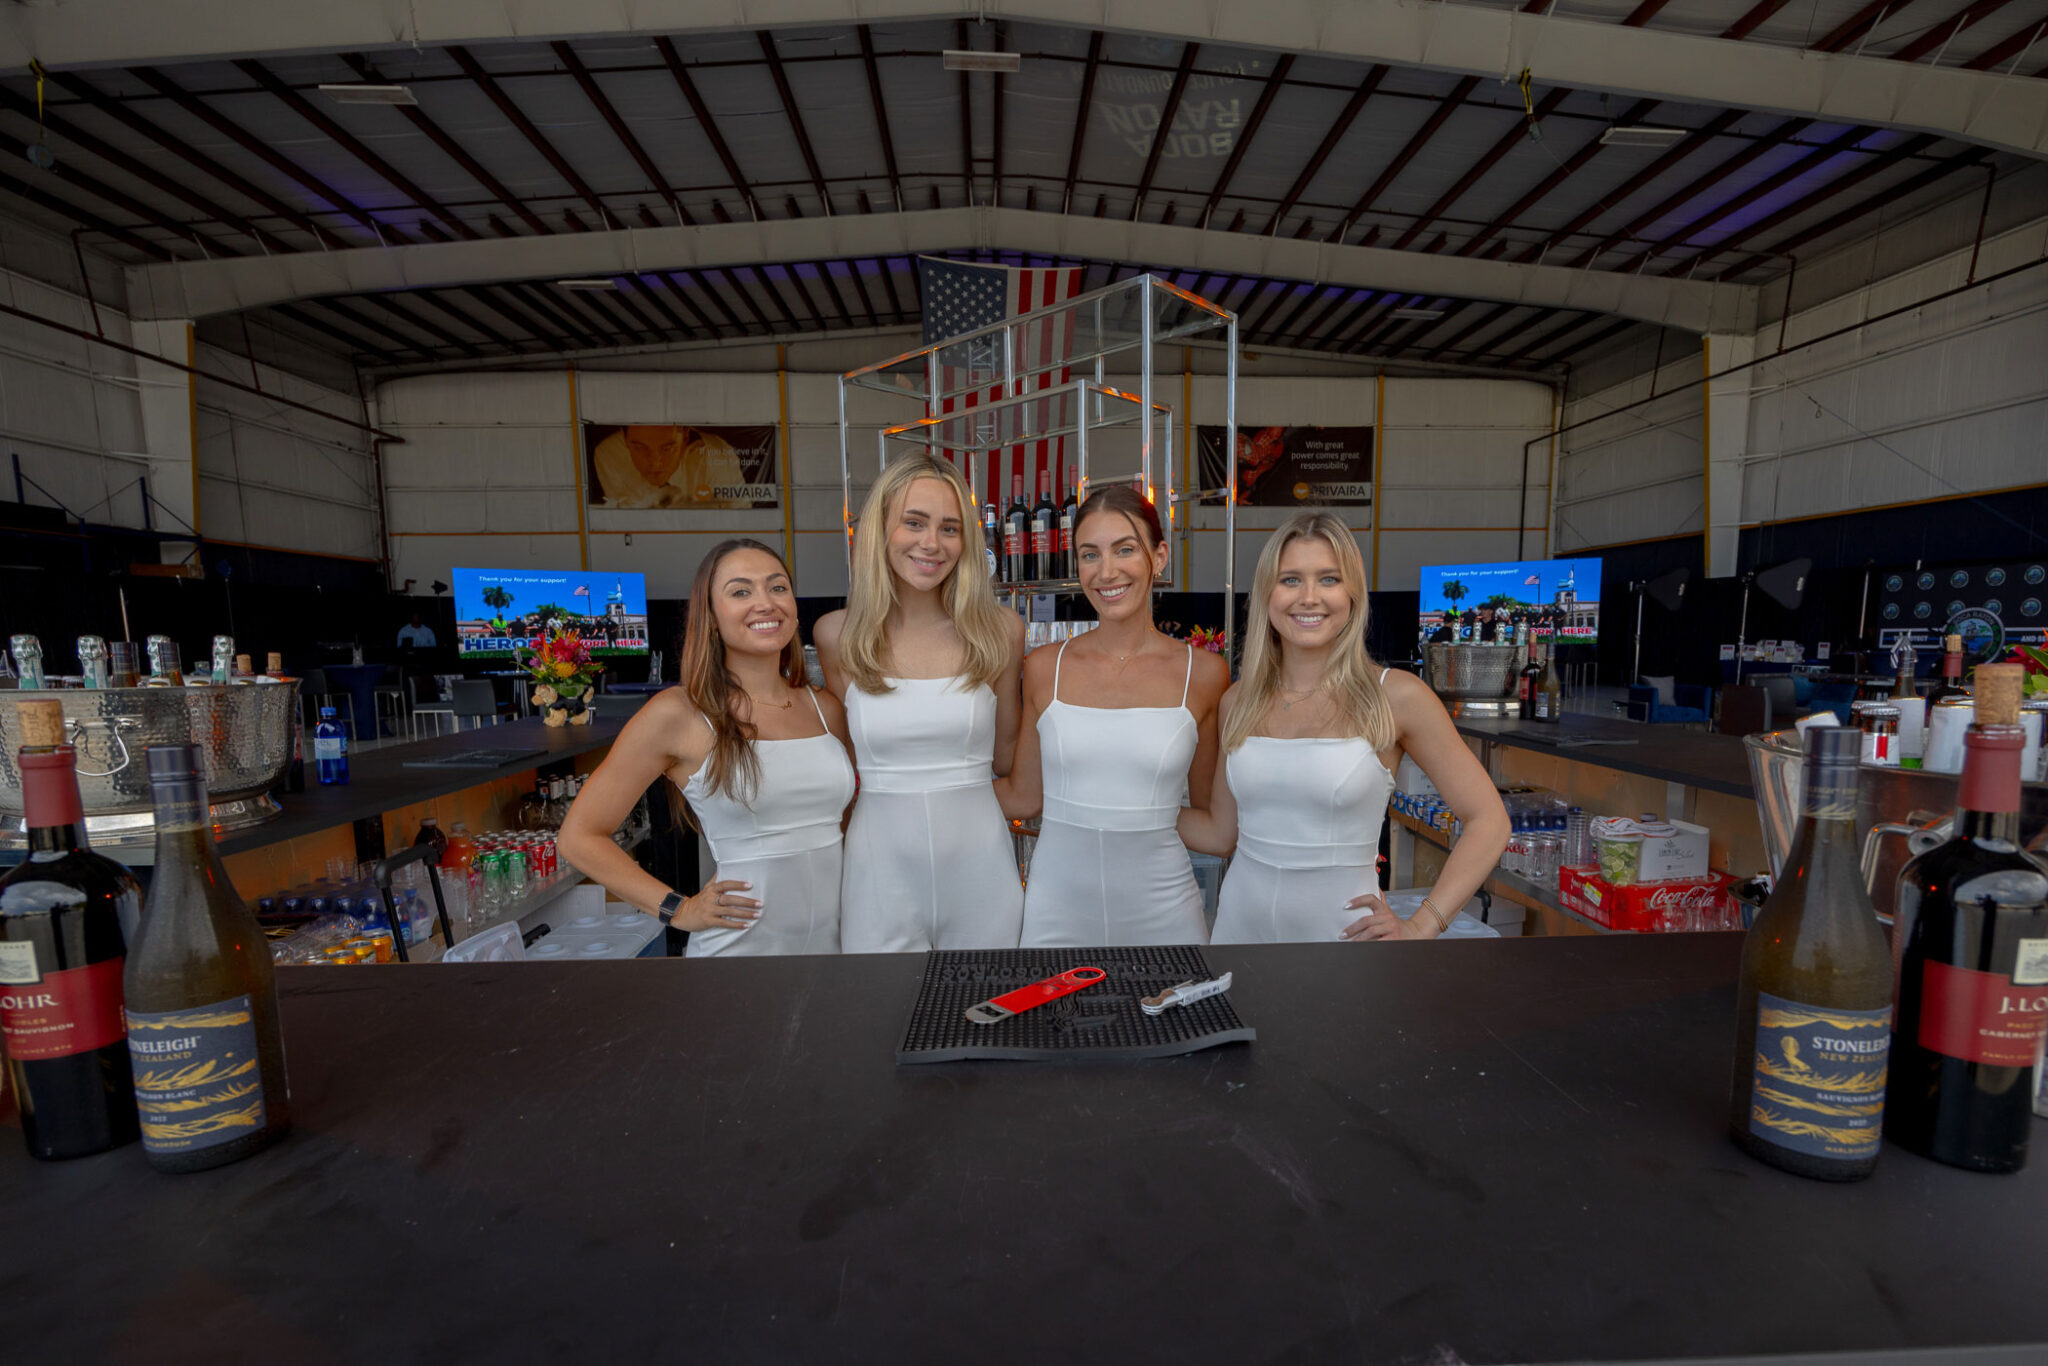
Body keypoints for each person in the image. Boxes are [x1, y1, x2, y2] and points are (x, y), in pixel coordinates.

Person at [1180, 511, 1508, 943]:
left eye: (1329, 579)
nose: (1309, 597)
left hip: (1345, 947)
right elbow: (1221, 834)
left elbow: (1489, 820)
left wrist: (1423, 925)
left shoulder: (1395, 696)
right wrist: (1123, 805)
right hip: (1238, 936)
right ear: (1266, 594)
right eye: (1290, 579)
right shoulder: (1238, 700)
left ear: (1352, 592)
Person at [557, 539, 854, 956]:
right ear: (711, 616)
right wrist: (678, 910)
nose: (765, 603)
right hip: (737, 955)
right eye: (741, 591)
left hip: (838, 950)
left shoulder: (826, 708)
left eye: (778, 587)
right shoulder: (680, 713)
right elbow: (578, 837)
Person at [996, 484, 1229, 946]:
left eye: (1125, 549)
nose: (1107, 571)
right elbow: (1024, 797)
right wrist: (923, 795)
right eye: (1090, 554)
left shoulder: (1203, 673)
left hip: (1166, 913)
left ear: (1158, 557)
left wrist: (1142, 812)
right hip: (1055, 914)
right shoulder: (1044, 667)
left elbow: (1211, 823)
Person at [815, 453, 1026, 952]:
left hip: (983, 870)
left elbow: (1006, 757)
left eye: (949, 528)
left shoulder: (1000, 631)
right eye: (914, 522)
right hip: (877, 875)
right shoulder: (838, 635)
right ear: (880, 530)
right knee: (880, 1000)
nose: (932, 543)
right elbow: (842, 767)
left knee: (993, 998)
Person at [590, 424, 748, 510]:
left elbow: (740, 517)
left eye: (667, 449)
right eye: (640, 448)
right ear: (624, 438)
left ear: (685, 437)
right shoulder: (610, 453)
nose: (655, 463)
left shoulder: (718, 454)